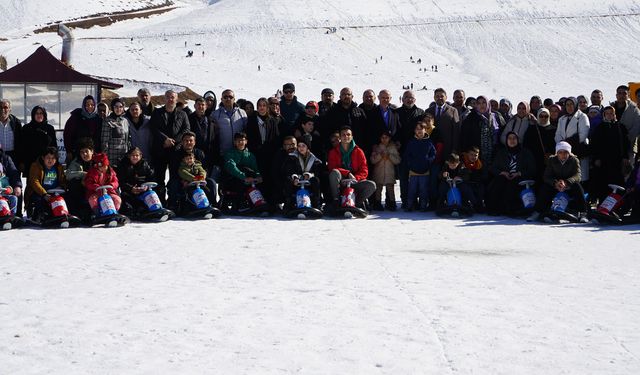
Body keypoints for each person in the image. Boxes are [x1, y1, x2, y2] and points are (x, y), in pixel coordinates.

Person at [527, 141, 588, 222]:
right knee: (545, 188)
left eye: (565, 152)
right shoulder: (552, 160)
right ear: (557, 153)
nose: (563, 155)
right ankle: (538, 211)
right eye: (560, 152)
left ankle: (583, 212)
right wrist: (555, 183)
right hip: (556, 185)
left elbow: (577, 175)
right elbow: (547, 176)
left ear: (569, 153)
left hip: (569, 185)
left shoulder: (574, 160)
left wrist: (567, 182)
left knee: (578, 187)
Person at [150, 90, 190, 203]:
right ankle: (159, 201)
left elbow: (186, 129)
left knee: (175, 177)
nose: (170, 99)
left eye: (172, 97)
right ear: (164, 98)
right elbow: (153, 128)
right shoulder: (157, 112)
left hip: (176, 150)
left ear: (176, 99)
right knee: (159, 177)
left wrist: (174, 141)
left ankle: (173, 201)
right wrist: (165, 139)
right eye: (168, 97)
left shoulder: (182, 114)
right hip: (160, 149)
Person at [326, 126, 376, 211]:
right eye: (343, 135)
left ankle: (356, 203)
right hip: (340, 182)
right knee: (334, 172)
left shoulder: (359, 151)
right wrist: (348, 173)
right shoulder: (333, 152)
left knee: (372, 185)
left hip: (354, 182)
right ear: (340, 137)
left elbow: (364, 170)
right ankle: (337, 201)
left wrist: (355, 178)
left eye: (348, 135)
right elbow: (332, 167)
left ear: (352, 136)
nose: (346, 137)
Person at [486, 132, 536, 215]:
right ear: (506, 140)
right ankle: (494, 209)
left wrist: (519, 173)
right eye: (509, 138)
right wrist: (502, 172)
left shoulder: (526, 152)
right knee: (498, 182)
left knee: (512, 185)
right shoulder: (501, 152)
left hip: (520, 177)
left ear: (518, 140)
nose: (512, 140)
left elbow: (532, 169)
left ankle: (511, 209)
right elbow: (493, 168)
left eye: (514, 138)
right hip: (505, 176)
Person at [589, 106, 630, 203]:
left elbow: (626, 143)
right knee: (603, 184)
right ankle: (603, 205)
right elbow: (595, 145)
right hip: (603, 162)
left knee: (618, 183)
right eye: (607, 113)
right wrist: (596, 158)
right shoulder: (600, 128)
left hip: (617, 161)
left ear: (615, 114)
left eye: (612, 113)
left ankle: (617, 205)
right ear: (604, 115)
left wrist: (625, 157)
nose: (610, 115)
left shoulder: (621, 127)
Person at [221, 132, 263, 209]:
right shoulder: (230, 154)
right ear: (234, 142)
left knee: (261, 182)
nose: (241, 142)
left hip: (249, 179)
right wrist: (244, 177)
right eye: (238, 140)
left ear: (246, 141)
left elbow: (255, 168)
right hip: (233, 179)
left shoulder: (250, 155)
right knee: (240, 181)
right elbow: (232, 168)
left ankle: (260, 203)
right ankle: (240, 204)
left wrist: (258, 176)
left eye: (242, 140)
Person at [460, 96, 505, 165]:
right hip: (476, 155)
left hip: (494, 154)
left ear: (488, 104)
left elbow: (503, 133)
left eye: (484, 102)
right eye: (479, 103)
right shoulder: (470, 118)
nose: (481, 105)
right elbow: (464, 137)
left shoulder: (496, 116)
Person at [282, 138, 324, 210]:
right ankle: (288, 205)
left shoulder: (314, 159)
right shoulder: (292, 157)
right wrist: (295, 177)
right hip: (296, 182)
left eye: (303, 146)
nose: (301, 148)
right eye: (299, 146)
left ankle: (316, 204)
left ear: (307, 147)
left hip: (308, 183)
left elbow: (317, 171)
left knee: (316, 180)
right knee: (288, 180)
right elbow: (289, 170)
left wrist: (309, 175)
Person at [24, 147, 66, 220]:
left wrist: (62, 187)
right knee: (39, 200)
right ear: (43, 158)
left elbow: (63, 180)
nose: (50, 160)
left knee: (65, 198)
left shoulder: (59, 167)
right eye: (48, 158)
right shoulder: (36, 166)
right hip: (39, 192)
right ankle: (41, 215)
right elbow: (34, 182)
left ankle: (63, 214)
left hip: (55, 192)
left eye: (53, 158)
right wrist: (44, 194)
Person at [555, 97, 590, 182]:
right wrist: (561, 145)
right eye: (567, 105)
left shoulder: (582, 116)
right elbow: (558, 134)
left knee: (579, 177)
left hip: (578, 150)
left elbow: (583, 134)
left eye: (571, 104)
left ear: (575, 105)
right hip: (564, 153)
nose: (569, 107)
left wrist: (566, 144)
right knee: (568, 177)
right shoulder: (562, 119)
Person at [404, 121, 436, 211]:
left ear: (425, 130)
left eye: (421, 129)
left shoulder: (429, 142)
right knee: (412, 190)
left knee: (423, 190)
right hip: (413, 171)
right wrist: (411, 164)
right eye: (417, 129)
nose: (419, 131)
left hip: (425, 171)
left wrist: (428, 161)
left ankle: (423, 206)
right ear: (414, 131)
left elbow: (433, 153)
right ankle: (409, 205)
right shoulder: (411, 142)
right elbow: (407, 155)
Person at [20, 106, 57, 182]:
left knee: (46, 184)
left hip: (46, 162)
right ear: (33, 115)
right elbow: (22, 147)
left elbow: (54, 146)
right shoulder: (26, 128)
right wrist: (22, 162)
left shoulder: (49, 128)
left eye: (41, 113)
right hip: (30, 161)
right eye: (37, 113)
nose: (39, 115)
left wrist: (54, 159)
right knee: (32, 184)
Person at [0, 99, 24, 215]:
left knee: (16, 183)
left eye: (5, 107)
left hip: (13, 156)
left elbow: (21, 142)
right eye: (1, 107)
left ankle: (17, 213)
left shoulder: (16, 122)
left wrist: (21, 161)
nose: (3, 110)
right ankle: (2, 211)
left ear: (10, 109)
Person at [116, 147, 155, 215]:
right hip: (128, 192)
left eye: (137, 155)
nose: (135, 157)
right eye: (133, 155)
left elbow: (151, 177)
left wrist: (146, 186)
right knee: (125, 198)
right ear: (129, 156)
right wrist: (131, 188)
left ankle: (155, 209)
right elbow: (121, 181)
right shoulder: (123, 165)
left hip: (143, 190)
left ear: (140, 156)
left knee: (151, 194)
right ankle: (133, 210)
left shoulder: (145, 165)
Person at [523, 107, 557, 185]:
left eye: (546, 116)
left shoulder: (553, 129)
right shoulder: (532, 129)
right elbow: (526, 144)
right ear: (538, 116)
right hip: (533, 160)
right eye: (541, 116)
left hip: (547, 160)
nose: (543, 118)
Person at [210, 89, 248, 159]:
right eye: (225, 97)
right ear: (221, 99)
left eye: (230, 97)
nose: (228, 99)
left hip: (239, 152)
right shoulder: (215, 114)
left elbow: (246, 131)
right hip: (223, 153)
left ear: (234, 99)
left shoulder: (242, 113)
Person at [63, 95, 101, 163]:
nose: (90, 107)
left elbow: (99, 137)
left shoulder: (98, 119)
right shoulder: (75, 117)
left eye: (92, 105)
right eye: (87, 105)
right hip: (77, 153)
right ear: (83, 105)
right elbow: (67, 135)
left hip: (93, 153)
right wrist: (69, 151)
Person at [98, 98, 131, 174]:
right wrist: (105, 158)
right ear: (112, 107)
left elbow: (128, 138)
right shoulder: (108, 121)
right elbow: (104, 141)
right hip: (112, 157)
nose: (118, 109)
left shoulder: (125, 121)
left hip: (124, 155)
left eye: (120, 107)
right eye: (116, 107)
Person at [370, 130, 401, 211]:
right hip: (378, 172)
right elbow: (372, 160)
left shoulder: (393, 148)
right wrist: (380, 155)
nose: (384, 139)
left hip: (389, 173)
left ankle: (392, 203)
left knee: (390, 189)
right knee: (378, 189)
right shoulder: (377, 148)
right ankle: (378, 203)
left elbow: (398, 160)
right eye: (382, 138)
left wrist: (389, 156)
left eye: (386, 138)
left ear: (389, 138)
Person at [65, 137, 95, 219]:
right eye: (82, 152)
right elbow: (68, 175)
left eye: (86, 151)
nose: (84, 154)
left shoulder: (98, 161)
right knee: (73, 183)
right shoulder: (76, 162)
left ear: (92, 151)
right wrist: (83, 174)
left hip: (96, 189)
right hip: (82, 191)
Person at [189, 97, 220, 174]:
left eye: (203, 105)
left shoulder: (211, 120)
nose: (200, 107)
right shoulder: (188, 119)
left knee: (206, 178)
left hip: (208, 155)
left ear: (206, 107)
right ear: (194, 106)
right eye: (198, 104)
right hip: (193, 154)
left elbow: (216, 138)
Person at [612, 85, 640, 159]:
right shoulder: (611, 107)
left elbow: (636, 129)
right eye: (619, 93)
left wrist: (623, 140)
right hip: (611, 147)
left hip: (629, 147)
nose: (621, 95)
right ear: (616, 95)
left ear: (628, 95)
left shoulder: (634, 110)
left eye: (624, 93)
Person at [126, 101, 154, 168]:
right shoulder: (125, 122)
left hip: (146, 153)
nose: (134, 111)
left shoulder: (148, 121)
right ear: (129, 111)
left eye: (136, 109)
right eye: (132, 110)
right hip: (132, 156)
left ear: (141, 111)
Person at [462, 146, 488, 212]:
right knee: (466, 188)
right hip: (466, 183)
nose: (473, 157)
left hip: (477, 183)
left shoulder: (480, 164)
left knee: (481, 188)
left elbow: (484, 175)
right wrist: (468, 171)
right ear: (468, 154)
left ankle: (479, 204)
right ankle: (474, 204)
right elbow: (463, 175)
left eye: (475, 155)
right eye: (471, 155)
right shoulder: (463, 163)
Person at [0, 147, 22, 216]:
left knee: (14, 198)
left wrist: (10, 188)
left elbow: (14, 174)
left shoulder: (3, 178)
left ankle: (12, 216)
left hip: (3, 195)